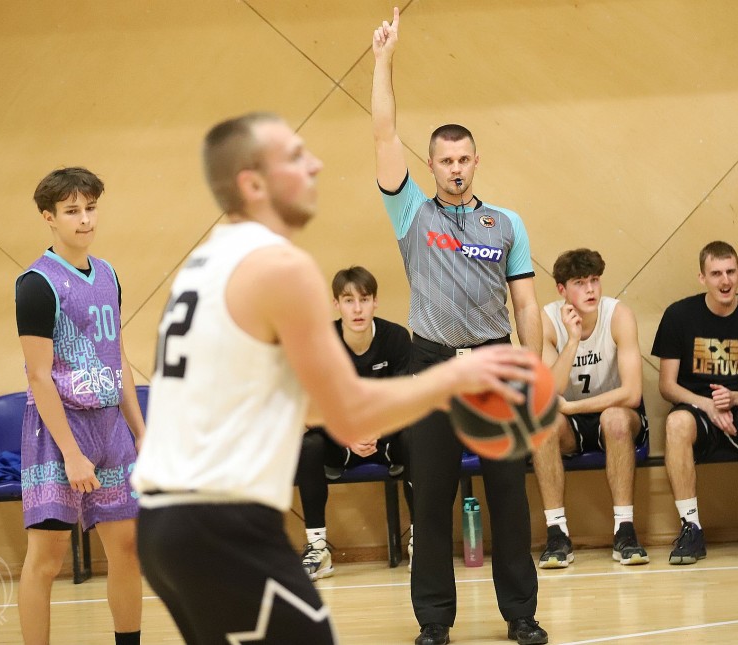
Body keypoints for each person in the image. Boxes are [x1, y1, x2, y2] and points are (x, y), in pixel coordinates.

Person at [131, 112, 537, 645]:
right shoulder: (280, 268)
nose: (317, 164)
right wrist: (451, 378)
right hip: (221, 520)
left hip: (163, 516)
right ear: (253, 183)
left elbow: (302, 402)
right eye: (296, 158)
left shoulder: (205, 261)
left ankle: (519, 611)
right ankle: (435, 617)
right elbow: (345, 407)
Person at [372, 9, 547, 645]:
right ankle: (434, 622)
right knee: (431, 500)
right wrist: (383, 59)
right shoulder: (410, 212)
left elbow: (525, 305)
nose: (455, 168)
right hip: (431, 368)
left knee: (509, 498)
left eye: (464, 158)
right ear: (430, 164)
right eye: (445, 159)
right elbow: (383, 132)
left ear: (476, 161)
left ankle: (521, 615)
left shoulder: (507, 223)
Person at [15, 167, 146, 645]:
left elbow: (119, 357)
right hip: (59, 431)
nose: (85, 219)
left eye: (90, 208)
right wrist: (71, 453)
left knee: (126, 547)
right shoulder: (36, 283)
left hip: (110, 427)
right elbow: (38, 376)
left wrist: (141, 432)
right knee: (47, 559)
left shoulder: (108, 274)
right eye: (72, 211)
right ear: (48, 217)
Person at [651, 241, 738, 564]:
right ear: (702, 277)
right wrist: (707, 405)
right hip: (697, 407)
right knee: (676, 423)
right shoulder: (678, 315)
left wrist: (736, 397)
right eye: (716, 273)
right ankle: (690, 526)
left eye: (731, 272)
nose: (725, 280)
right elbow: (667, 386)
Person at [531, 249, 650, 568]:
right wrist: (572, 341)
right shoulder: (547, 320)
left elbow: (632, 394)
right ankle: (557, 533)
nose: (590, 289)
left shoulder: (618, 314)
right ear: (562, 289)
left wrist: (573, 407)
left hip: (614, 413)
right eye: (580, 283)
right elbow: (551, 391)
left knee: (614, 419)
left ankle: (625, 530)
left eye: (595, 280)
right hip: (569, 423)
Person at [297, 265, 416, 580]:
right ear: (336, 304)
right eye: (349, 300)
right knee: (308, 444)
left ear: (375, 302)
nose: (358, 308)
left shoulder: (396, 338)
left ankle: (421, 540)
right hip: (339, 441)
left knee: (415, 435)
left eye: (364, 299)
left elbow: (405, 400)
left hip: (386, 438)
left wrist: (377, 430)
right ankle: (318, 548)